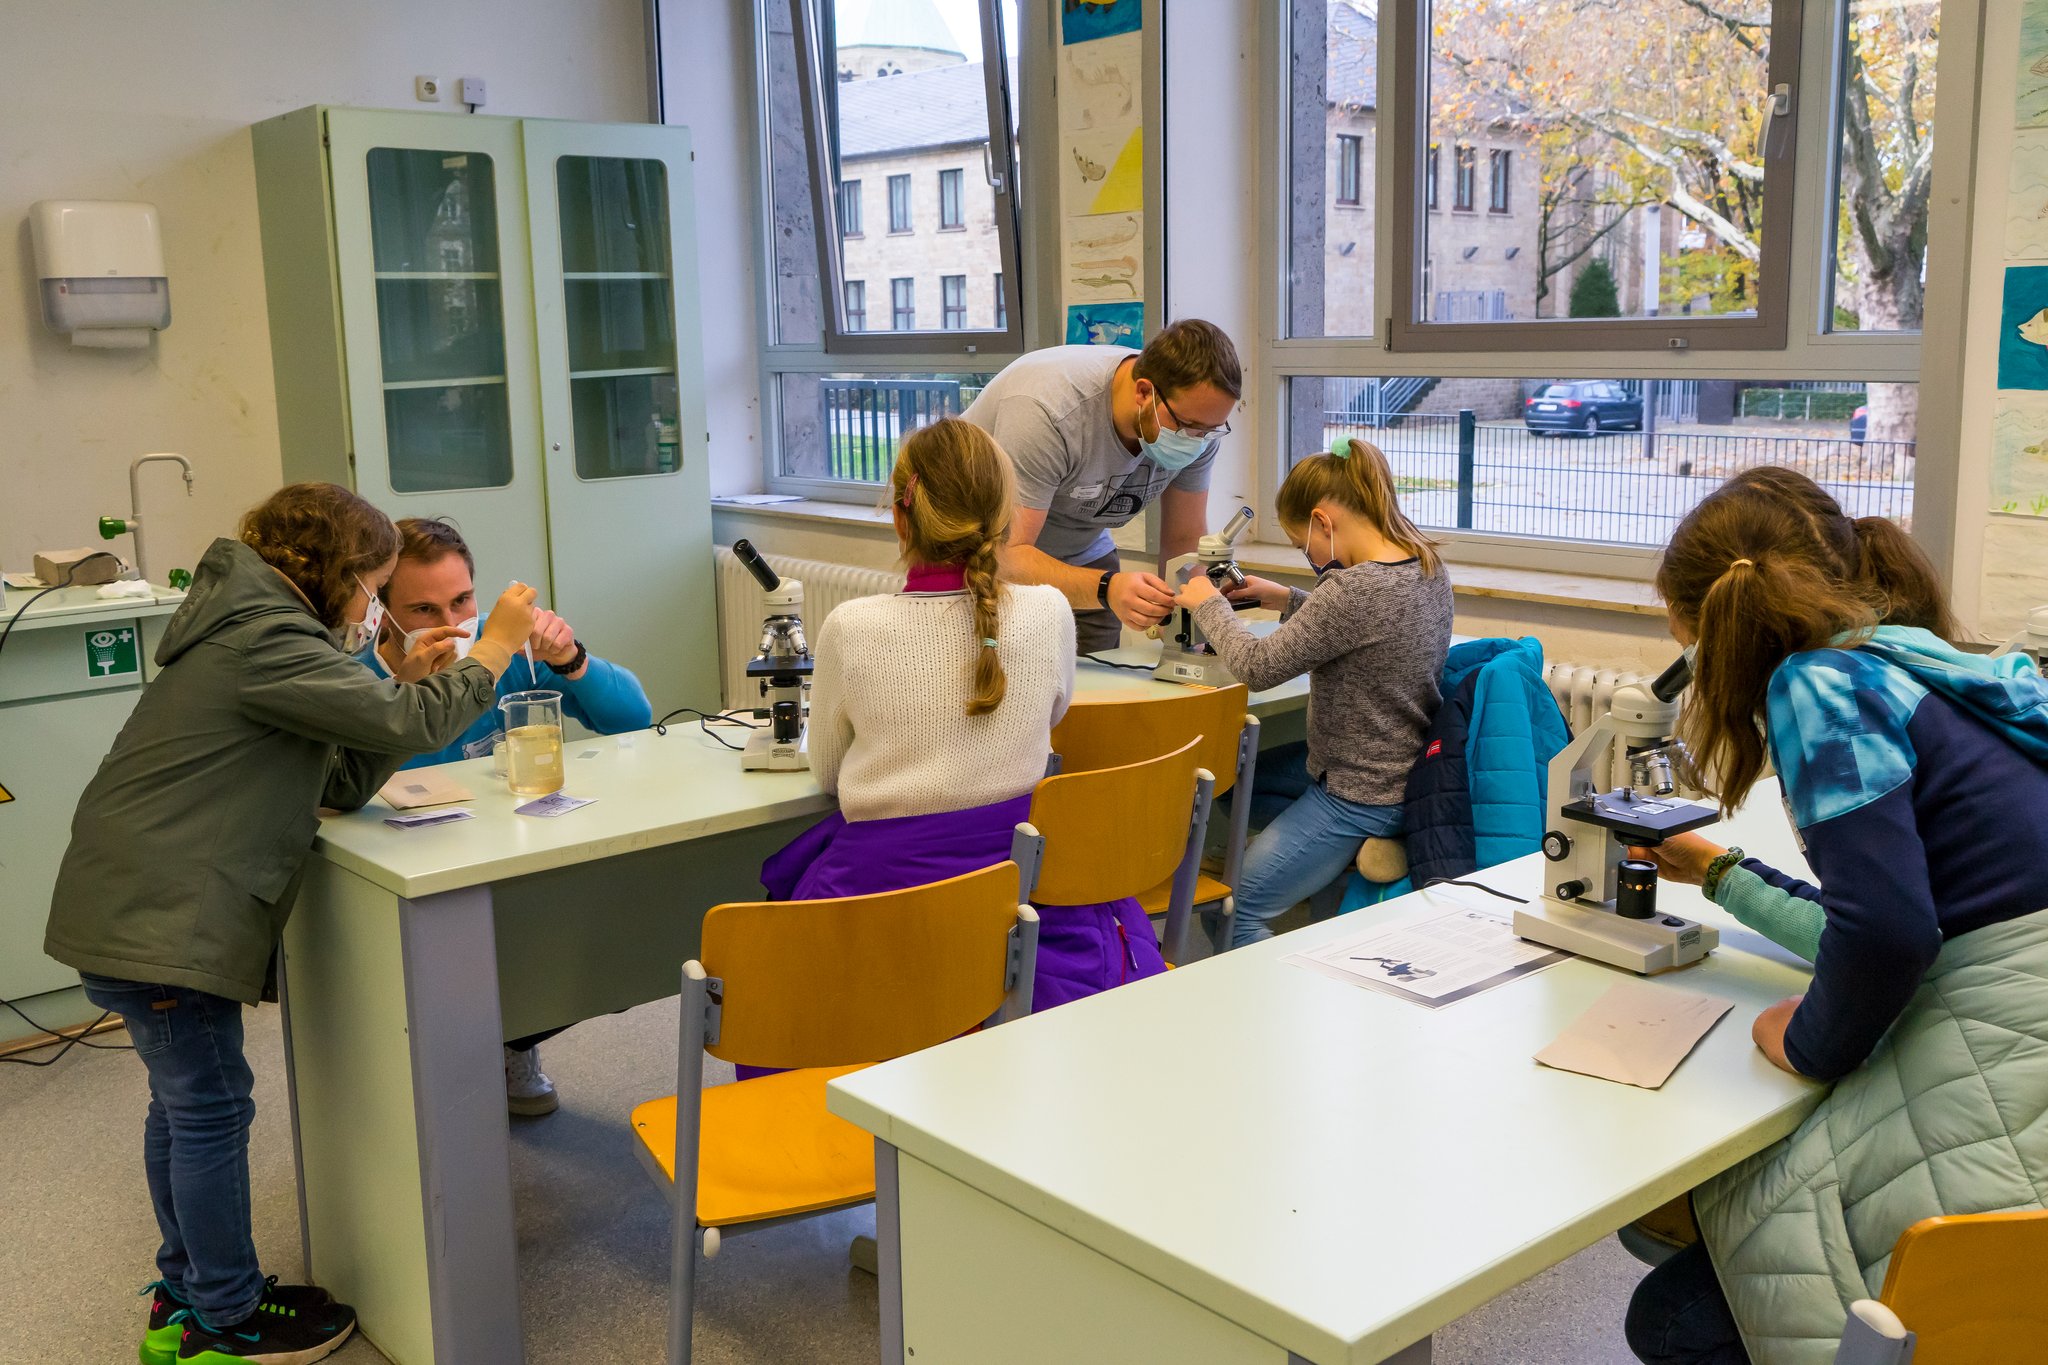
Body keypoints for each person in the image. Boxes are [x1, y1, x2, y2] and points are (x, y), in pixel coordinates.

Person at [42, 483, 536, 1365]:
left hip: (133, 902)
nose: (374, 608)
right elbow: (420, 720)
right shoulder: (266, 637)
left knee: (184, 1106)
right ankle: (223, 1319)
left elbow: (338, 779)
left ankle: (188, 1291)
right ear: (339, 574)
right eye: (374, 587)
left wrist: (397, 685)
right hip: (161, 917)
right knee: (210, 1110)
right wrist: (492, 646)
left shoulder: (257, 628)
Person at [1619, 470, 2048, 1365]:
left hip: (2001, 1061)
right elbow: (1893, 918)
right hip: (2018, 1018)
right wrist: (1723, 874)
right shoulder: (1920, 661)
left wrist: (1808, 1041)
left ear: (1715, 626)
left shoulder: (1818, 687)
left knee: (1671, 1315)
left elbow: (1890, 934)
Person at [762, 417, 1167, 1010]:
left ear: (900, 518)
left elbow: (828, 777)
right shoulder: (1049, 610)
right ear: (1006, 518)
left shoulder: (850, 627)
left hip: (887, 906)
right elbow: (1050, 718)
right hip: (1019, 895)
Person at [361, 516, 652, 1117]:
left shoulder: (509, 655)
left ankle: (513, 1041)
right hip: (408, 876)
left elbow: (633, 718)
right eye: (423, 609)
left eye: (462, 601)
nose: (451, 622)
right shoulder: (359, 681)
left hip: (512, 859)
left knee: (619, 948)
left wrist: (569, 659)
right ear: (382, 614)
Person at [1176, 437, 1454, 948]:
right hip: (1403, 769)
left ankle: (1281, 999)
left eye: (1301, 544)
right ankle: (1321, 861)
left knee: (1234, 910)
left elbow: (1257, 667)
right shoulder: (1424, 564)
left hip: (1361, 793)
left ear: (1322, 522)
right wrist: (1286, 598)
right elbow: (1369, 628)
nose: (1307, 556)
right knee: (1231, 784)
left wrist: (1205, 603)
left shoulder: (1350, 590)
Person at [961, 318, 1243, 654]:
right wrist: (1107, 588)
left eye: (1210, 430)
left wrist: (1197, 615)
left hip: (1084, 552)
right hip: (981, 562)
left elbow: (1184, 539)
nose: (1197, 440)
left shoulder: (1198, 426)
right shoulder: (1048, 412)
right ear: (1143, 392)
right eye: (1188, 426)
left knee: (1099, 680)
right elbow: (1009, 556)